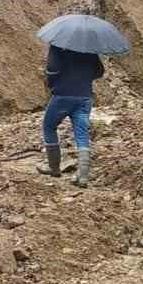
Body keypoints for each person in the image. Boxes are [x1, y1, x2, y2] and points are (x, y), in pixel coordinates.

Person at [37, 44, 104, 187]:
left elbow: (52, 69)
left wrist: (51, 83)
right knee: (81, 133)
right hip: (84, 96)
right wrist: (83, 75)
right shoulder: (89, 46)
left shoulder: (58, 45)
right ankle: (83, 175)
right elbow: (99, 72)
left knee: (49, 126)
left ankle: (53, 168)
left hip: (62, 95)